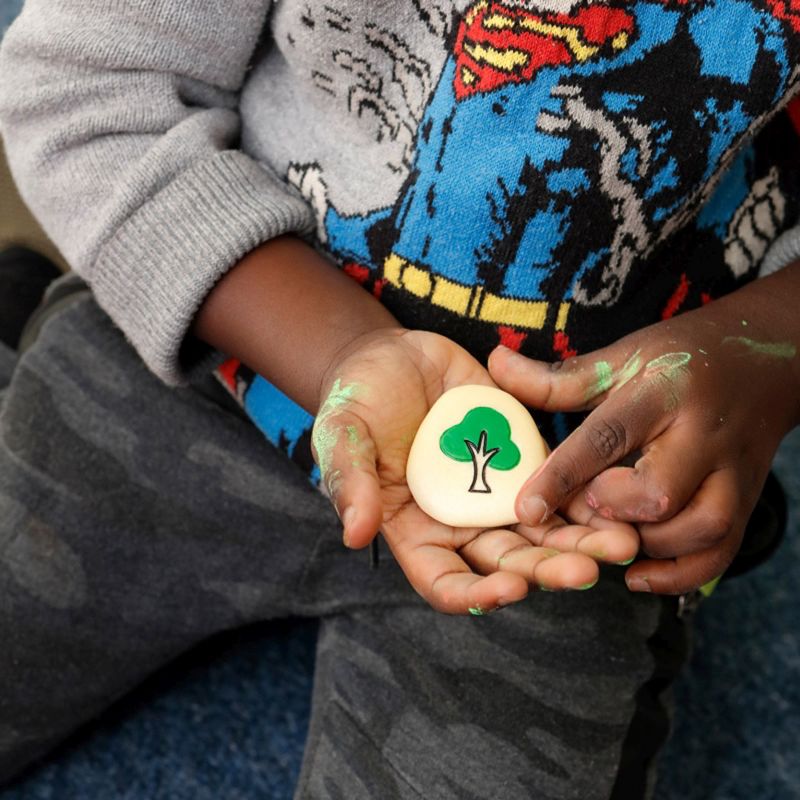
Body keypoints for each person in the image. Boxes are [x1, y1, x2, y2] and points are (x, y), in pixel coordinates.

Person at [0, 1, 798, 797]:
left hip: (571, 515)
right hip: (212, 354)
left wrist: (765, 355)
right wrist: (343, 349)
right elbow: (88, 97)